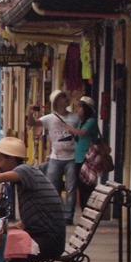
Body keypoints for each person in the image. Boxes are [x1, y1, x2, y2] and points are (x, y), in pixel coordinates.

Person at [27, 89, 81, 225]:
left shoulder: (75, 118)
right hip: (55, 157)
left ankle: (68, 216)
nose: (66, 99)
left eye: (65, 96)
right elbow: (33, 123)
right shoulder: (49, 118)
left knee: (71, 187)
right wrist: (29, 112)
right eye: (62, 97)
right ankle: (56, 212)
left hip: (72, 157)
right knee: (52, 187)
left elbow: (82, 134)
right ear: (57, 101)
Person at [74, 96, 100, 210]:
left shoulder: (91, 122)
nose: (77, 109)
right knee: (81, 186)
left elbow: (81, 133)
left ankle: (88, 210)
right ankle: (85, 210)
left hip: (88, 159)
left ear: (86, 108)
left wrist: (67, 127)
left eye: (80, 107)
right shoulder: (81, 122)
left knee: (87, 186)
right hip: (78, 158)